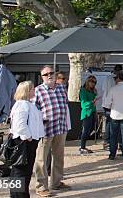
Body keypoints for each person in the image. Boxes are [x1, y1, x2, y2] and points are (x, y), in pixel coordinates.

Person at [33, 66, 71, 196]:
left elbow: (65, 105)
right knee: (41, 159)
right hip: (45, 129)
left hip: (60, 127)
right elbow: (34, 111)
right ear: (42, 77)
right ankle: (41, 186)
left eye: (51, 73)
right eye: (45, 74)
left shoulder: (61, 88)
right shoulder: (38, 91)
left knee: (58, 157)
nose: (49, 75)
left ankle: (56, 182)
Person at [8, 81, 45, 198]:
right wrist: (28, 137)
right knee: (21, 172)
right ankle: (19, 195)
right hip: (24, 142)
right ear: (27, 91)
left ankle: (19, 194)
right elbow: (20, 125)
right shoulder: (22, 105)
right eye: (32, 89)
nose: (34, 91)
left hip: (27, 141)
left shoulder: (25, 104)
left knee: (23, 171)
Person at [79, 76, 98, 154]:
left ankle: (83, 146)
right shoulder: (83, 90)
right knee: (86, 130)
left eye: (94, 82)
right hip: (87, 113)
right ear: (88, 81)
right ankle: (82, 147)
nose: (93, 83)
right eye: (92, 81)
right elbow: (83, 104)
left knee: (91, 130)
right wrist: (92, 102)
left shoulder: (93, 91)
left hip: (93, 112)